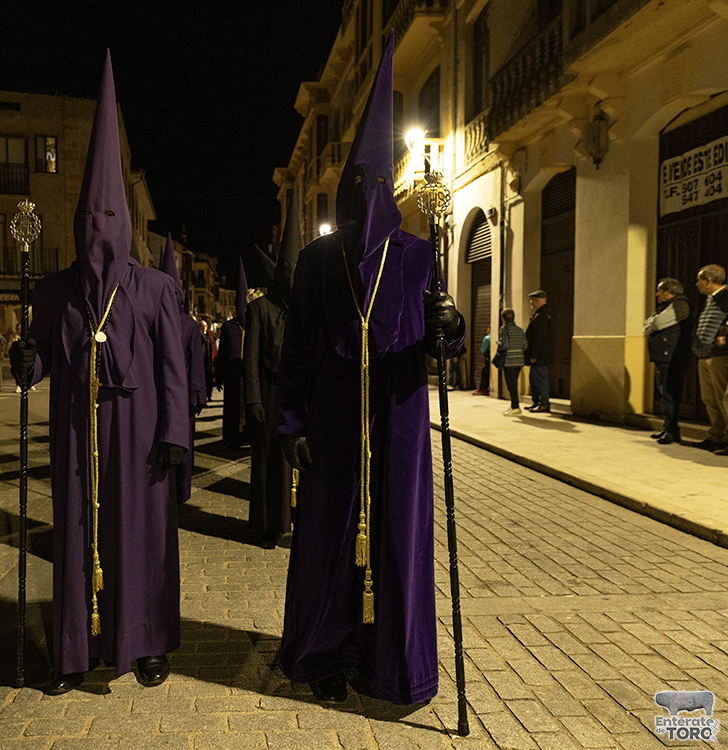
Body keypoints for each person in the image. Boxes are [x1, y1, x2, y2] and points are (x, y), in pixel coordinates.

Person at [274, 33, 465, 706]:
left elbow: (437, 341)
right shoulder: (318, 262)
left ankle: (391, 663)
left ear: (389, 188)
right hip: (330, 422)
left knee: (394, 538)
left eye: (370, 185)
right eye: (351, 186)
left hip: (401, 419)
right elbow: (296, 348)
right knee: (329, 539)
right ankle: (324, 653)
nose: (359, 197)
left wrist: (451, 329)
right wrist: (291, 420)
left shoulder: (416, 256)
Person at [9, 51, 189, 696]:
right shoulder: (55, 291)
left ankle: (143, 644)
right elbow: (39, 358)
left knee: (140, 537)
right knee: (77, 530)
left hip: (140, 437)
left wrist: (176, 432)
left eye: (109, 219)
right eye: (89, 219)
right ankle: (72, 649)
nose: (98, 231)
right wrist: (23, 361)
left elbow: (173, 366)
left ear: (127, 223)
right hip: (74, 436)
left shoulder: (156, 288)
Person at [245, 193, 300, 550]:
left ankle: (293, 521)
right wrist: (253, 401)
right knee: (267, 465)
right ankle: (268, 526)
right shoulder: (260, 309)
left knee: (292, 463)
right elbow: (250, 357)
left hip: (295, 397)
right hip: (267, 393)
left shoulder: (303, 310)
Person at [160, 233, 207, 505]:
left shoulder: (187, 324)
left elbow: (195, 361)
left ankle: (176, 491)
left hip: (179, 397)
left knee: (180, 445)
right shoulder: (184, 322)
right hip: (175, 396)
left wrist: (196, 394)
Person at [644, 278, 692, 445]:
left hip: (671, 357)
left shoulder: (680, 304)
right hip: (662, 356)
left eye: (661, 291)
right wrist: (652, 325)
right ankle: (667, 428)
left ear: (670, 292)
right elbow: (645, 325)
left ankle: (672, 432)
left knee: (669, 394)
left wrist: (652, 324)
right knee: (664, 393)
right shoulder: (664, 306)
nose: (658, 294)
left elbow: (655, 323)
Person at [691, 264, 728, 453]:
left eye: (700, 280)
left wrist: (722, 334)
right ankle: (716, 436)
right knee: (709, 399)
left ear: (709, 281)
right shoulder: (710, 299)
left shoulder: (725, 297)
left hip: (718, 356)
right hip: (704, 354)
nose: (697, 284)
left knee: (723, 399)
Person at [216, 261, 247, 448]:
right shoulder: (228, 327)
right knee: (232, 408)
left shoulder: (252, 324)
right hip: (233, 377)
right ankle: (231, 438)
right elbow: (222, 353)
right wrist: (220, 376)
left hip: (246, 376)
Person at [525, 289, 554, 413]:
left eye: (533, 300)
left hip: (540, 355)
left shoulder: (542, 315)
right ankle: (536, 402)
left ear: (537, 301)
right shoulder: (539, 314)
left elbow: (540, 337)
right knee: (534, 378)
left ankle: (544, 404)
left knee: (540, 379)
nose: (531, 303)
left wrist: (534, 355)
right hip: (538, 354)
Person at [497, 309, 527, 415]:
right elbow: (525, 345)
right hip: (519, 360)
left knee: (511, 385)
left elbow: (504, 345)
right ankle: (514, 406)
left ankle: (515, 407)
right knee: (514, 383)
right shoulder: (520, 330)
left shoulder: (503, 329)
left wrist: (498, 343)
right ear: (514, 318)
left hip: (509, 361)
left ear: (503, 319)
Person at [199, 318, 215, 400]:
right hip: (203, 360)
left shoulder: (209, 335)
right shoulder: (200, 335)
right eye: (203, 326)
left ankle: (209, 395)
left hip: (208, 360)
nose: (205, 327)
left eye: (206, 326)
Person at [473, 325, 491, 395]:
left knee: (485, 372)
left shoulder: (487, 338)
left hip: (487, 357)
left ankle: (482, 388)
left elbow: (483, 349)